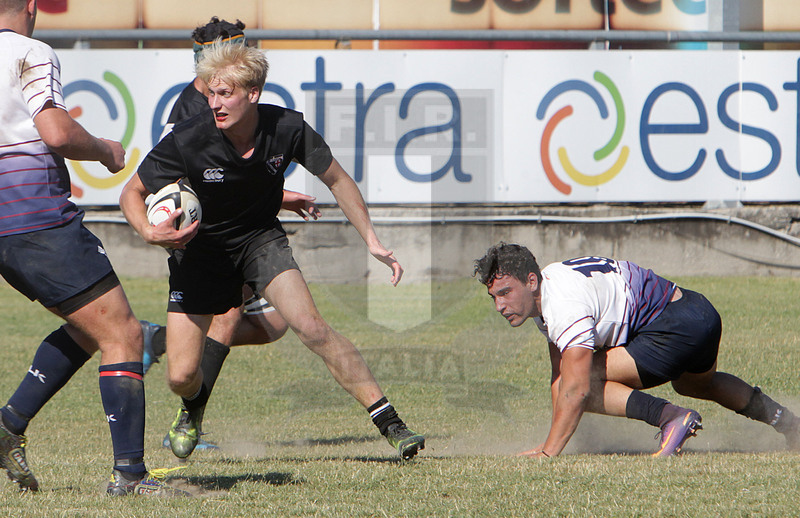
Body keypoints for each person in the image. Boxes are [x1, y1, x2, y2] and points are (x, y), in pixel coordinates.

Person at [119, 40, 425, 461]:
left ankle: (392, 424)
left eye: (224, 94)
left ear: (253, 94)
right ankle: (191, 409)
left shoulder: (287, 127)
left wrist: (371, 239)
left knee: (312, 327)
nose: (214, 103)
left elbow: (337, 179)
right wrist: (148, 232)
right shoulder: (189, 139)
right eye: (210, 92)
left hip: (260, 240)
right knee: (181, 375)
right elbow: (131, 192)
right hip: (200, 253)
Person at [0, 0, 186, 496]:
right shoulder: (29, 52)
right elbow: (57, 133)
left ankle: (9, 425)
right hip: (34, 218)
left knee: (90, 325)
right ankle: (129, 475)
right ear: (34, 6)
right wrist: (105, 150)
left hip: (7, 229)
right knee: (123, 334)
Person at [139, 17, 321, 452]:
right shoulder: (194, 109)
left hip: (240, 230)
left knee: (274, 324)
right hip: (206, 240)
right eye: (215, 51)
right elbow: (196, 187)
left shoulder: (231, 97)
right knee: (229, 314)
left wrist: (278, 197)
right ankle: (188, 420)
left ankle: (161, 340)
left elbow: (232, 179)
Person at [474, 242, 800, 458]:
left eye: (505, 292)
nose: (500, 305)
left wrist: (548, 452)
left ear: (531, 281)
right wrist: (564, 433)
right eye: (494, 298)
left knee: (580, 381)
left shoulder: (562, 305)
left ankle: (671, 418)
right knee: (697, 384)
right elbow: (559, 377)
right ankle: (789, 424)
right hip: (698, 311)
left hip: (672, 328)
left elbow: (573, 388)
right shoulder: (551, 285)